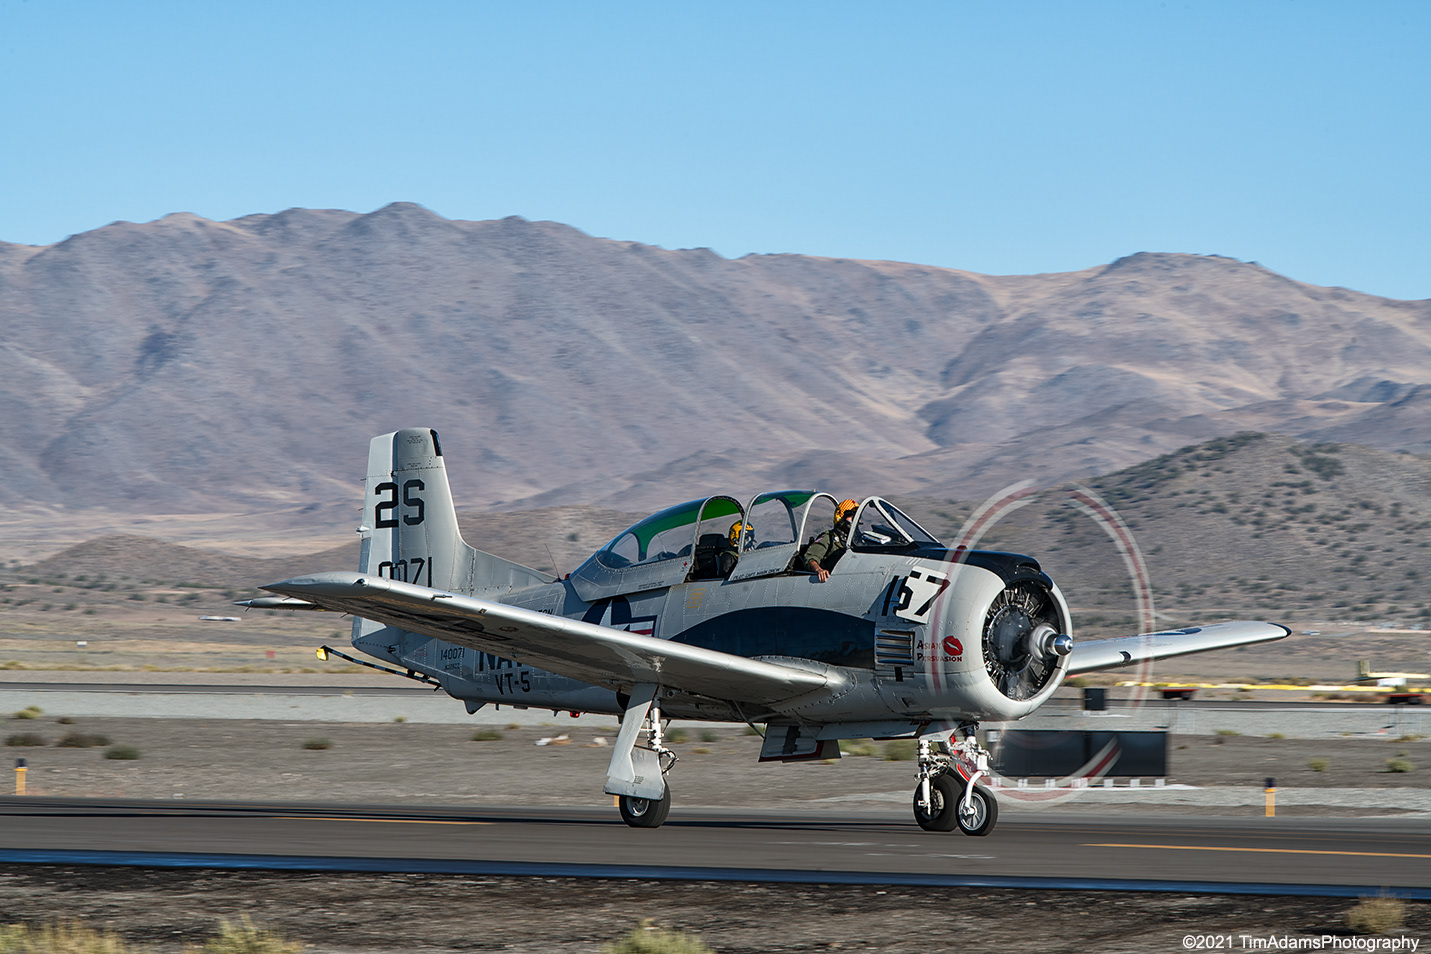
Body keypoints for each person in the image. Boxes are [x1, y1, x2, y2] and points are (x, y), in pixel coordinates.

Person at [804, 498, 857, 582]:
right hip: (830, 580)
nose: (854, 519)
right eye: (851, 515)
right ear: (841, 516)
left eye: (856, 516)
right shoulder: (828, 537)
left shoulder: (856, 541)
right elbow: (811, 558)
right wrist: (819, 570)